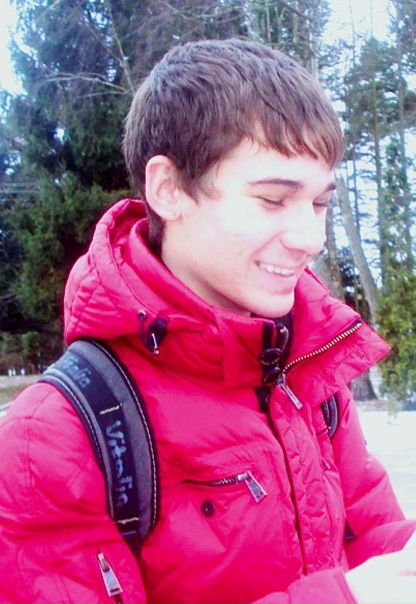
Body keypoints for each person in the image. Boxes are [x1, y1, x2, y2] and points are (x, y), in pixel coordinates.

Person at [0, 39, 415, 604]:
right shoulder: (53, 437)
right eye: (273, 200)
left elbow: (372, 539)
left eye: (319, 203)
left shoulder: (305, 368)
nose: (310, 239)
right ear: (169, 190)